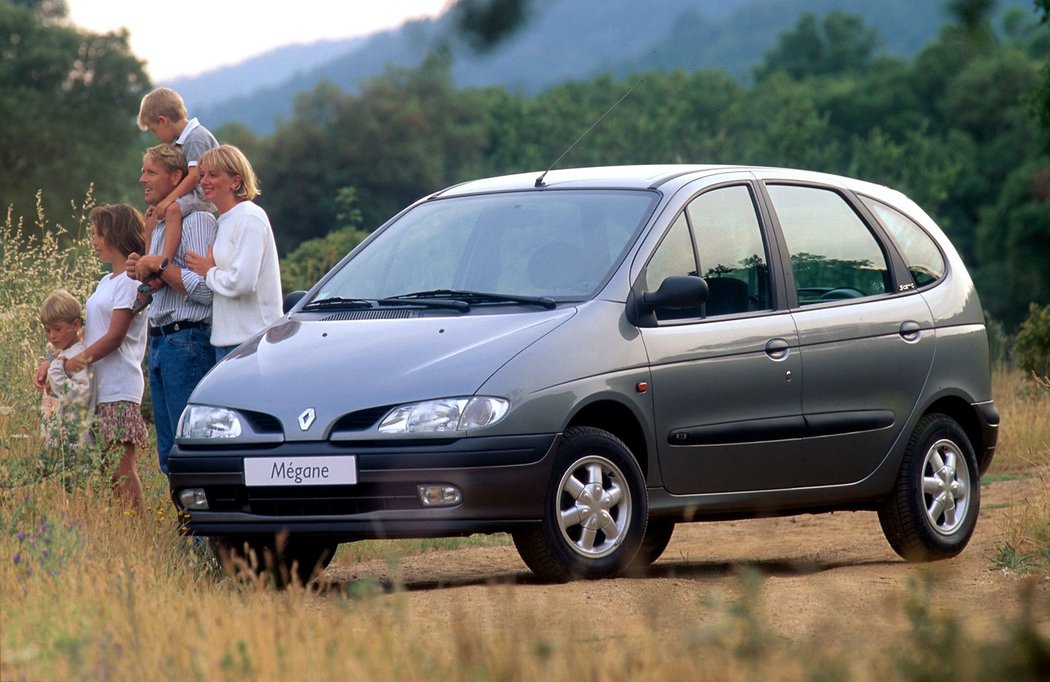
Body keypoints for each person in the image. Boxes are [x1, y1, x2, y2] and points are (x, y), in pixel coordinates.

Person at [126, 144, 217, 475]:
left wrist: (160, 266)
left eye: (150, 172)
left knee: (190, 445)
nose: (142, 179)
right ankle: (186, 525)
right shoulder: (160, 224)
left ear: (176, 177)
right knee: (168, 452)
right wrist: (141, 266)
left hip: (187, 339)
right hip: (162, 341)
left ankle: (203, 525)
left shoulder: (198, 221)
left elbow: (207, 289)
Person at [64, 205, 151, 511]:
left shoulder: (130, 282)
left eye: (98, 234)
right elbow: (92, 332)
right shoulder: (106, 282)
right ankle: (122, 528)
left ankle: (137, 529)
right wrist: (58, 358)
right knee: (107, 468)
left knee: (121, 467)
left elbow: (115, 336)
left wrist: (79, 362)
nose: (93, 240)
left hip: (119, 385)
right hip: (99, 388)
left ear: (115, 234)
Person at [186, 144, 282, 361]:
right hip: (226, 342)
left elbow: (243, 282)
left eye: (213, 175)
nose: (204, 181)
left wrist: (208, 272)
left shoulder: (250, 217)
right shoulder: (223, 221)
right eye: (202, 175)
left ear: (236, 181)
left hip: (252, 342)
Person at [135, 87, 219, 312]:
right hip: (192, 193)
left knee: (171, 211)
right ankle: (150, 265)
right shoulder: (181, 141)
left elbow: (194, 176)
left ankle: (164, 265)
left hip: (202, 194)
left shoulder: (196, 137)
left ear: (163, 121)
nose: (156, 136)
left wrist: (168, 200)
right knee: (153, 217)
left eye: (154, 130)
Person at [37, 290, 94, 449]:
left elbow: (81, 395)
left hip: (73, 444)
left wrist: (54, 371)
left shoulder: (78, 356)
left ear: (75, 325)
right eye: (47, 330)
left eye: (57, 329)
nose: (52, 336)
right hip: (55, 441)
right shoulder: (61, 355)